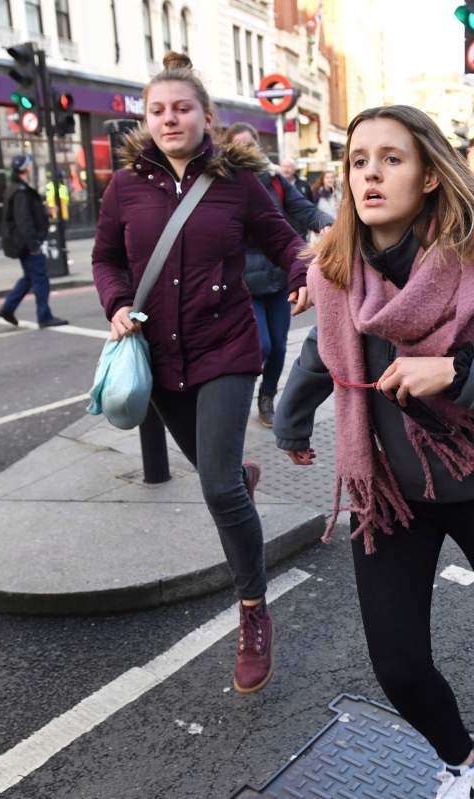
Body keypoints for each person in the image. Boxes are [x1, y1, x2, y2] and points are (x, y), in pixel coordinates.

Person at [273, 105, 474, 799]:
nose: (371, 172)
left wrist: (462, 370)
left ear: (427, 175)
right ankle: (462, 757)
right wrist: (290, 426)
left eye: (392, 158)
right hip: (391, 495)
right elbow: (318, 356)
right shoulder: (338, 275)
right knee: (396, 664)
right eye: (359, 159)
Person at [93, 51, 312, 694]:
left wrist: (301, 274)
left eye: (182, 108)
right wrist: (114, 304)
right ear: (146, 117)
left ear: (206, 116)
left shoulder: (239, 181)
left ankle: (252, 609)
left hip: (226, 349)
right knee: (220, 475)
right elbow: (107, 257)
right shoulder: (125, 185)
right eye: (157, 109)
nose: (169, 118)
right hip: (158, 358)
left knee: (217, 488)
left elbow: (282, 239)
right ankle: (236, 476)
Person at [226, 122, 333, 427]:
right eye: (239, 145)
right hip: (243, 281)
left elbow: (304, 209)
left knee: (279, 346)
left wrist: (328, 224)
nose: (247, 151)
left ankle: (267, 397)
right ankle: (236, 394)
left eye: (251, 144)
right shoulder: (223, 182)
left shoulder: (273, 180)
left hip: (277, 277)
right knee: (262, 345)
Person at [0, 154, 68, 328]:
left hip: (22, 243)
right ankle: (44, 316)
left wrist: (43, 209)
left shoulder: (15, 188)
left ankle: (8, 307)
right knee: (41, 277)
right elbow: (23, 221)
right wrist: (33, 245)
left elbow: (26, 213)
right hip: (27, 244)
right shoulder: (20, 191)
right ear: (26, 168)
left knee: (30, 277)